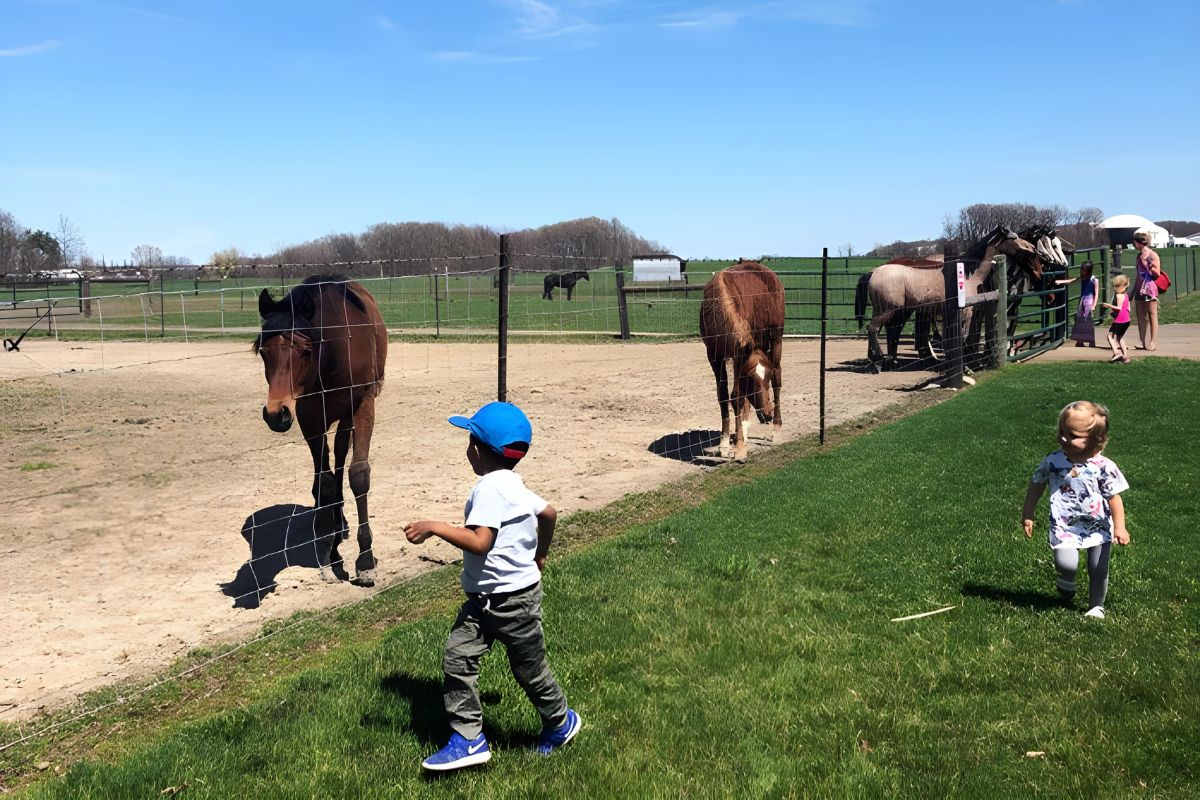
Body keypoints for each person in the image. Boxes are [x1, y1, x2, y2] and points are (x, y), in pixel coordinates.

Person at [404, 401, 580, 771]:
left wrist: (434, 526)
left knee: (529, 670)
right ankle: (468, 738)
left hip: (511, 603)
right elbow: (549, 513)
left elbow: (480, 542)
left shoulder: (488, 489)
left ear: (477, 450)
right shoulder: (513, 484)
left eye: (469, 441)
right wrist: (541, 554)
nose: (467, 448)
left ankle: (560, 722)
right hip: (486, 602)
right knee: (458, 658)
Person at [1021, 401, 1130, 620]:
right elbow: (1036, 484)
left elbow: (1114, 498)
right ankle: (1067, 578)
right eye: (1062, 431)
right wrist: (1028, 513)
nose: (1063, 438)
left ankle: (1096, 606)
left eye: (1072, 435)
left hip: (1098, 525)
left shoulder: (1104, 466)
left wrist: (1120, 527)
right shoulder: (1053, 461)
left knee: (1098, 569)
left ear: (1096, 439)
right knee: (1066, 563)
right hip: (1065, 524)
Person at [1057, 261, 1099, 347]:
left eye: (1084, 270)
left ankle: (1091, 341)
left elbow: (1096, 293)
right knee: (1080, 320)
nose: (1083, 271)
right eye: (1082, 269)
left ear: (1089, 270)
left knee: (1088, 321)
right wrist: (1060, 281)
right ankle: (1080, 340)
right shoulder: (1082, 278)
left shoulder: (1094, 280)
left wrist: (1094, 305)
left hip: (1089, 302)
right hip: (1082, 301)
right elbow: (1071, 281)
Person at [1131, 232, 1161, 350]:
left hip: (1149, 288)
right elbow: (1138, 275)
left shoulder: (1153, 255)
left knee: (1152, 315)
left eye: (1134, 242)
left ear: (1140, 242)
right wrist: (1133, 292)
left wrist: (1146, 263)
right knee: (1141, 316)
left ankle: (1153, 342)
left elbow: (1157, 273)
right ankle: (1141, 341)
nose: (1133, 244)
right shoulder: (1138, 256)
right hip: (1139, 289)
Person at [1100, 275, 1132, 363]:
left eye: (1116, 286)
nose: (1114, 288)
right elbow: (1128, 308)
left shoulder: (1118, 296)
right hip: (1127, 320)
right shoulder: (1126, 295)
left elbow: (1119, 308)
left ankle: (1117, 353)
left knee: (1109, 336)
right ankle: (1125, 356)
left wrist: (1108, 305)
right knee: (1119, 337)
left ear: (1122, 286)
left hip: (1119, 320)